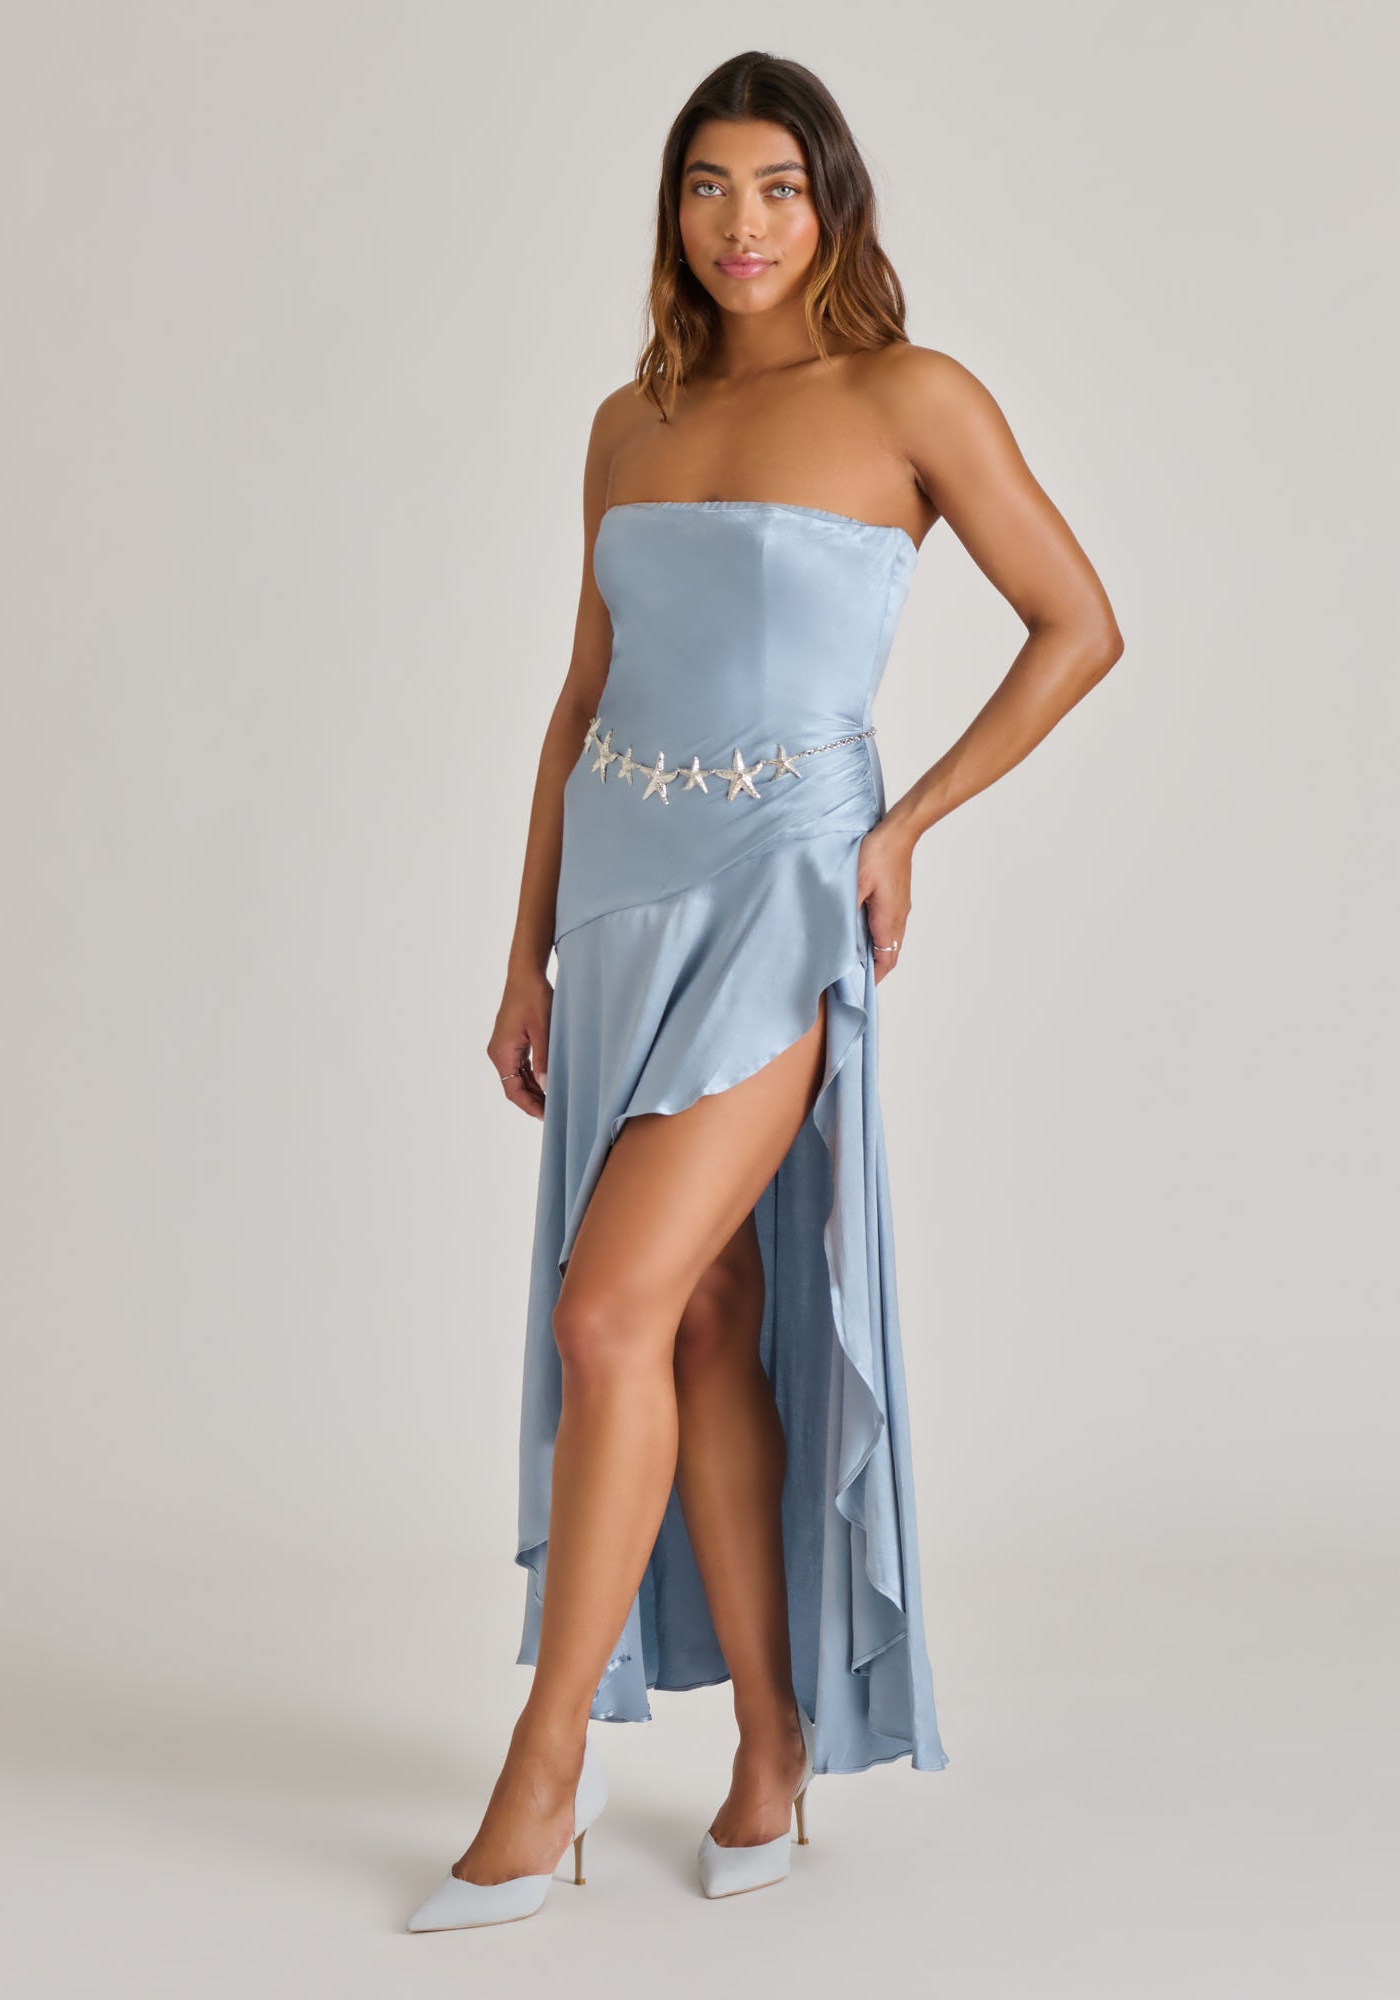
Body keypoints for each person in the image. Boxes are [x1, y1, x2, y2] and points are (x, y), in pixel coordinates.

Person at [408, 49, 1123, 1933]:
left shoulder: (908, 396)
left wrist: (911, 826)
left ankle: (545, 1768)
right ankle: (771, 1742)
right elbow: (583, 697)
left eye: (779, 188)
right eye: (709, 187)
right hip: (616, 902)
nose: (743, 224)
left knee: (604, 1312)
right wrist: (521, 949)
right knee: (699, 1318)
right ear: (675, 210)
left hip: (784, 894)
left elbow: (1080, 625)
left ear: (833, 205)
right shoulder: (626, 422)